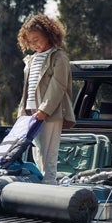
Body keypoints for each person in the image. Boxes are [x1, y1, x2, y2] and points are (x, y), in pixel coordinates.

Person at [16, 14, 75, 185]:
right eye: (29, 42)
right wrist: (23, 112)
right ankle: (42, 183)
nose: (34, 44)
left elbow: (58, 86)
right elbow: (28, 88)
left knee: (49, 153)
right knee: (38, 150)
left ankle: (49, 184)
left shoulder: (59, 57)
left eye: (36, 39)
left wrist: (44, 110)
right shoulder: (32, 59)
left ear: (48, 34)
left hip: (49, 113)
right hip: (31, 112)